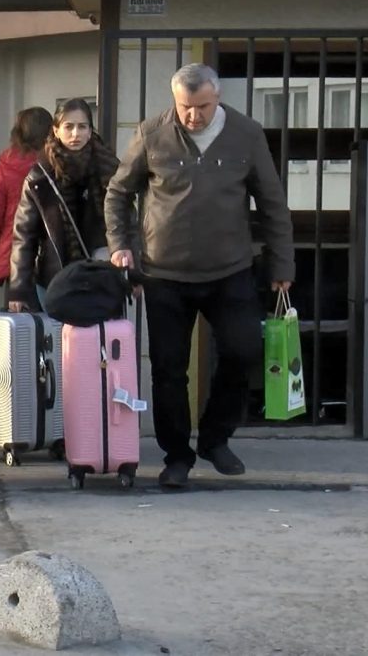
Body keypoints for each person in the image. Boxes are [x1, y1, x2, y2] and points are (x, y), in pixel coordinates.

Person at [104, 63, 295, 488]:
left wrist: (282, 265)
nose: (193, 116)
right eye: (185, 107)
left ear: (218, 98)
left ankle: (215, 437)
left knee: (244, 350)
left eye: (202, 107)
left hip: (230, 270)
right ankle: (177, 457)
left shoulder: (246, 134)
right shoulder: (152, 133)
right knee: (169, 369)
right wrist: (121, 247)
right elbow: (118, 192)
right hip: (164, 273)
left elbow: (272, 203)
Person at [6, 98, 120, 312]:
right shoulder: (40, 176)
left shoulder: (109, 168)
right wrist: (18, 289)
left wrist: (133, 273)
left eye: (82, 127)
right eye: (68, 127)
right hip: (54, 278)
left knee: (97, 342)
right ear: (56, 131)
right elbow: (24, 236)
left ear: (90, 131)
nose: (75, 134)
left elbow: (125, 222)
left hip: (100, 277)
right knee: (59, 343)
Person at [0, 107, 53, 295]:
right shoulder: (56, 164)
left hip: (16, 262)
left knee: (19, 323)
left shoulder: (6, 167)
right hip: (54, 259)